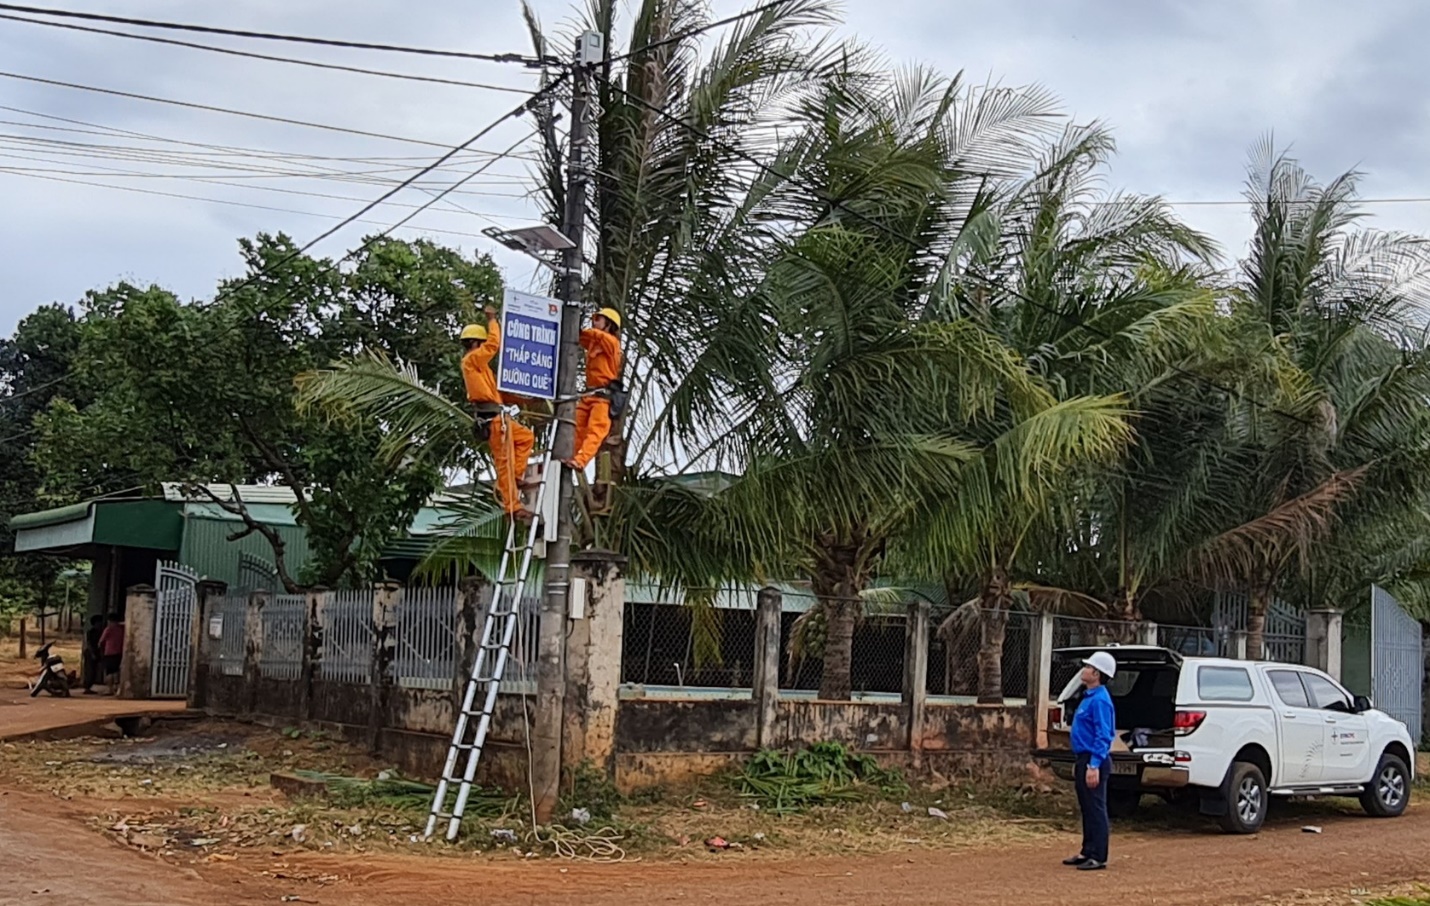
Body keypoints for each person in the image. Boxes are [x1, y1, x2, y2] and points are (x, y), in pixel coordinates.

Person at [460, 307, 536, 520]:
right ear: (476, 343)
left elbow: (496, 394)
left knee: (526, 438)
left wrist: (523, 399)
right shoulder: (472, 360)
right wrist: (492, 320)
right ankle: (512, 507)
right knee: (504, 464)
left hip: (499, 417)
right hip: (493, 421)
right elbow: (494, 344)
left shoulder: (480, 368)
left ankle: (516, 477)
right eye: (481, 343)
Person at [1064, 649, 1116, 871]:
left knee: (1096, 808)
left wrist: (1094, 764)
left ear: (1097, 674)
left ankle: (1099, 855)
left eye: (1088, 667)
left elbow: (1104, 735)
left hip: (1093, 759)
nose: (1083, 670)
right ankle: (1088, 851)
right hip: (1083, 757)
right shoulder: (1088, 698)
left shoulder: (1100, 701)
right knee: (1087, 807)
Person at [563, 307, 623, 472]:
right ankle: (571, 458)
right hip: (589, 395)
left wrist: (578, 327)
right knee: (576, 428)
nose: (594, 322)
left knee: (595, 432)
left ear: (608, 324)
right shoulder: (594, 343)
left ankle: (580, 460)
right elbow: (580, 338)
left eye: (598, 319)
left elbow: (594, 335)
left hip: (603, 398)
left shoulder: (612, 343)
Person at [98, 614, 125, 696]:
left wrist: (101, 650)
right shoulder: (122, 629)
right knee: (116, 671)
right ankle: (117, 688)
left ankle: (110, 689)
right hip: (119, 652)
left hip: (109, 652)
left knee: (109, 672)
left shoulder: (108, 629)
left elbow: (101, 642)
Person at [81, 614, 105, 695]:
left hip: (96, 653)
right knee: (90, 671)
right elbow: (89, 644)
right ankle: (87, 687)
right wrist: (92, 654)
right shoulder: (91, 633)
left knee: (94, 671)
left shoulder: (101, 632)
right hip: (91, 653)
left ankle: (89, 686)